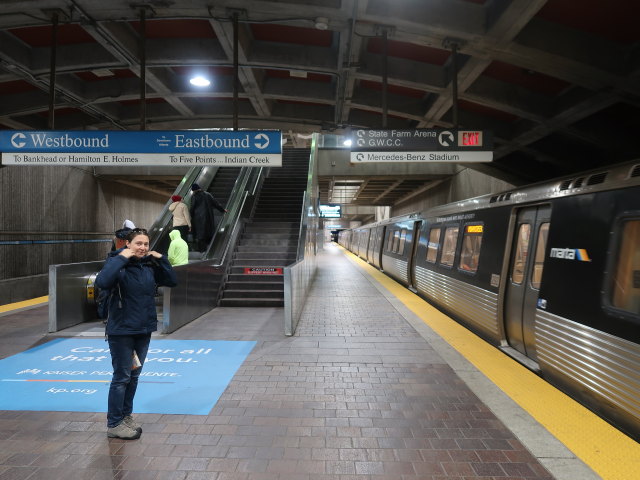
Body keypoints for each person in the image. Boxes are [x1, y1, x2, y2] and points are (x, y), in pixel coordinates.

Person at [95, 228, 177, 440]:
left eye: (146, 244)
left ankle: (125, 416)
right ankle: (114, 423)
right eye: (138, 243)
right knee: (121, 377)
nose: (143, 248)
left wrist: (162, 258)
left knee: (134, 375)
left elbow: (171, 280)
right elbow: (102, 282)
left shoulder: (148, 265)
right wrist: (121, 257)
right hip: (121, 330)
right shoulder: (117, 264)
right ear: (128, 244)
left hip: (143, 329)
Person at [189, 183, 227, 252]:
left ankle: (202, 250)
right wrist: (222, 210)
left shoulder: (194, 197)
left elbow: (192, 207)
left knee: (200, 234)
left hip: (198, 218)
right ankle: (211, 249)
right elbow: (215, 203)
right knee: (208, 231)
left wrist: (190, 216)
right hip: (208, 216)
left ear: (194, 190)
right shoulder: (208, 194)